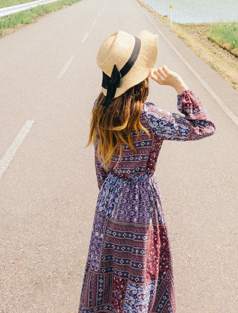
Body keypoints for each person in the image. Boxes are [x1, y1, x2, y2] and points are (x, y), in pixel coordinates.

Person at [80, 29, 216, 313]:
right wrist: (180, 87)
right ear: (141, 79)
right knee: (140, 272)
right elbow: (203, 127)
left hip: (109, 200)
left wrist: (110, 194)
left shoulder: (101, 106)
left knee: (105, 264)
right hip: (140, 201)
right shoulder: (148, 115)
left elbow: (100, 162)